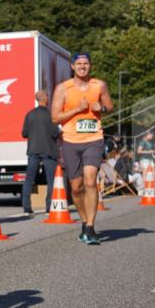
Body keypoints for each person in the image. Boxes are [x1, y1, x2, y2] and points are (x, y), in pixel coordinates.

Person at [51, 52, 113, 245]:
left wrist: (100, 108)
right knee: (76, 188)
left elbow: (110, 106)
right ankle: (85, 221)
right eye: (79, 63)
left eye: (86, 63)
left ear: (90, 66)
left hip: (94, 139)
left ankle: (90, 227)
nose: (83, 67)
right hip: (70, 141)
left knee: (90, 181)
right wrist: (77, 109)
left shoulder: (99, 85)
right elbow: (55, 117)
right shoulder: (63, 88)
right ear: (72, 66)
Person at [21, 90, 60, 215]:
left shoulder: (29, 114)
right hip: (49, 150)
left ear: (37, 99)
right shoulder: (51, 115)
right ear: (46, 99)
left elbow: (24, 133)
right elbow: (55, 133)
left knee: (29, 179)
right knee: (51, 180)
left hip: (33, 150)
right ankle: (49, 207)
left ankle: (27, 207)